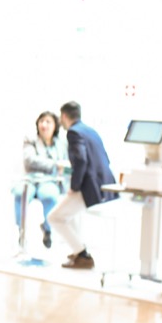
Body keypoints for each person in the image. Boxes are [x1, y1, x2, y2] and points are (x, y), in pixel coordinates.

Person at [48, 101, 117, 269]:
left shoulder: (73, 132)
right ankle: (78, 250)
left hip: (89, 186)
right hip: (104, 184)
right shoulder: (90, 130)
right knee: (68, 215)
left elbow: (80, 160)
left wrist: (74, 186)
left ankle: (82, 254)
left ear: (64, 116)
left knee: (54, 218)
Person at [13, 110, 68, 248]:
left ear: (55, 126)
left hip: (50, 181)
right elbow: (30, 161)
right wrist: (55, 164)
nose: (44, 125)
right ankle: (21, 231)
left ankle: (47, 229)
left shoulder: (61, 143)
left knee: (50, 196)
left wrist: (63, 168)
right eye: (41, 121)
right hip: (30, 180)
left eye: (48, 122)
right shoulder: (30, 140)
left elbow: (66, 165)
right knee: (20, 194)